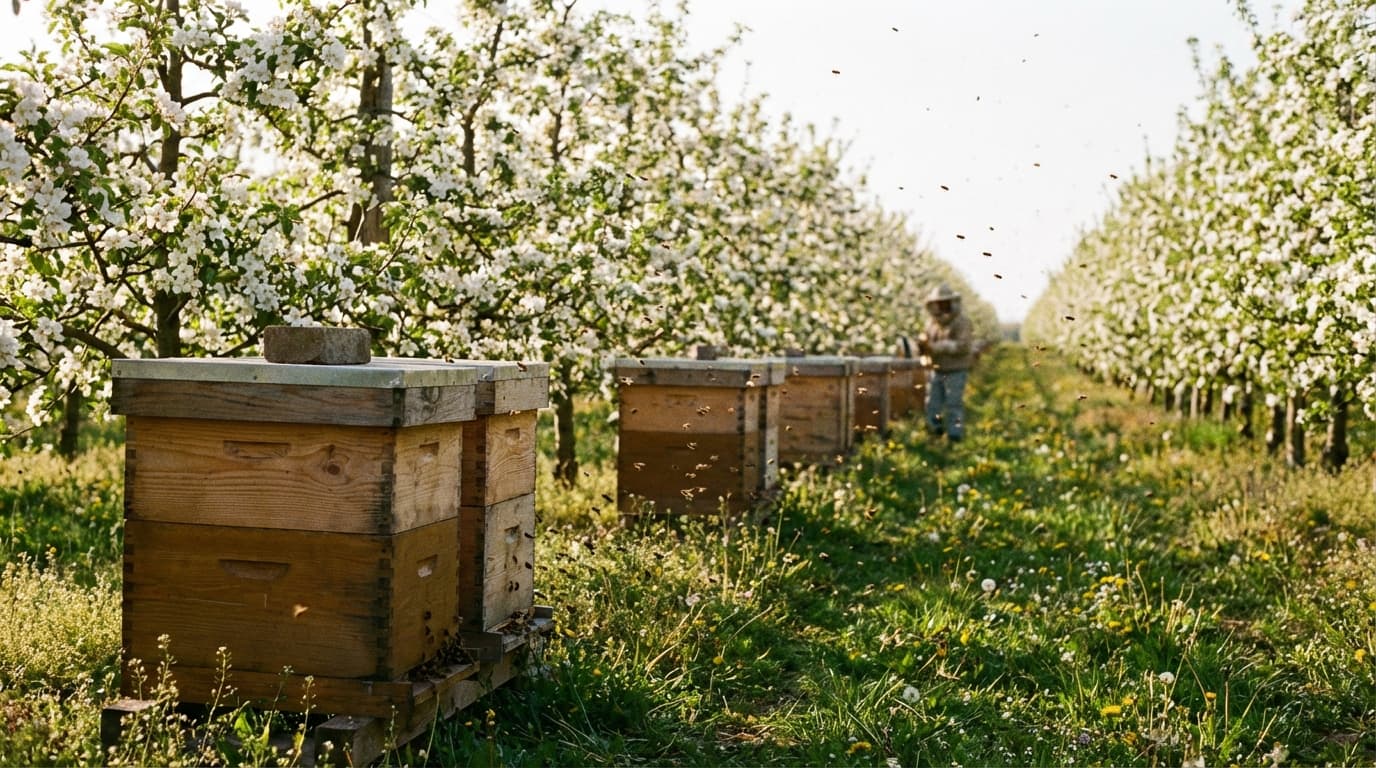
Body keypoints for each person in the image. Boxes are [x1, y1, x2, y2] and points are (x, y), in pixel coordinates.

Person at [917, 284, 975, 442]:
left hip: (956, 370)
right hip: (937, 370)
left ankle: (954, 435)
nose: (941, 306)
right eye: (938, 303)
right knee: (932, 403)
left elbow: (963, 346)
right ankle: (934, 431)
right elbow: (926, 341)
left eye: (945, 302)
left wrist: (936, 347)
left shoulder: (962, 322)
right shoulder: (932, 323)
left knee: (953, 403)